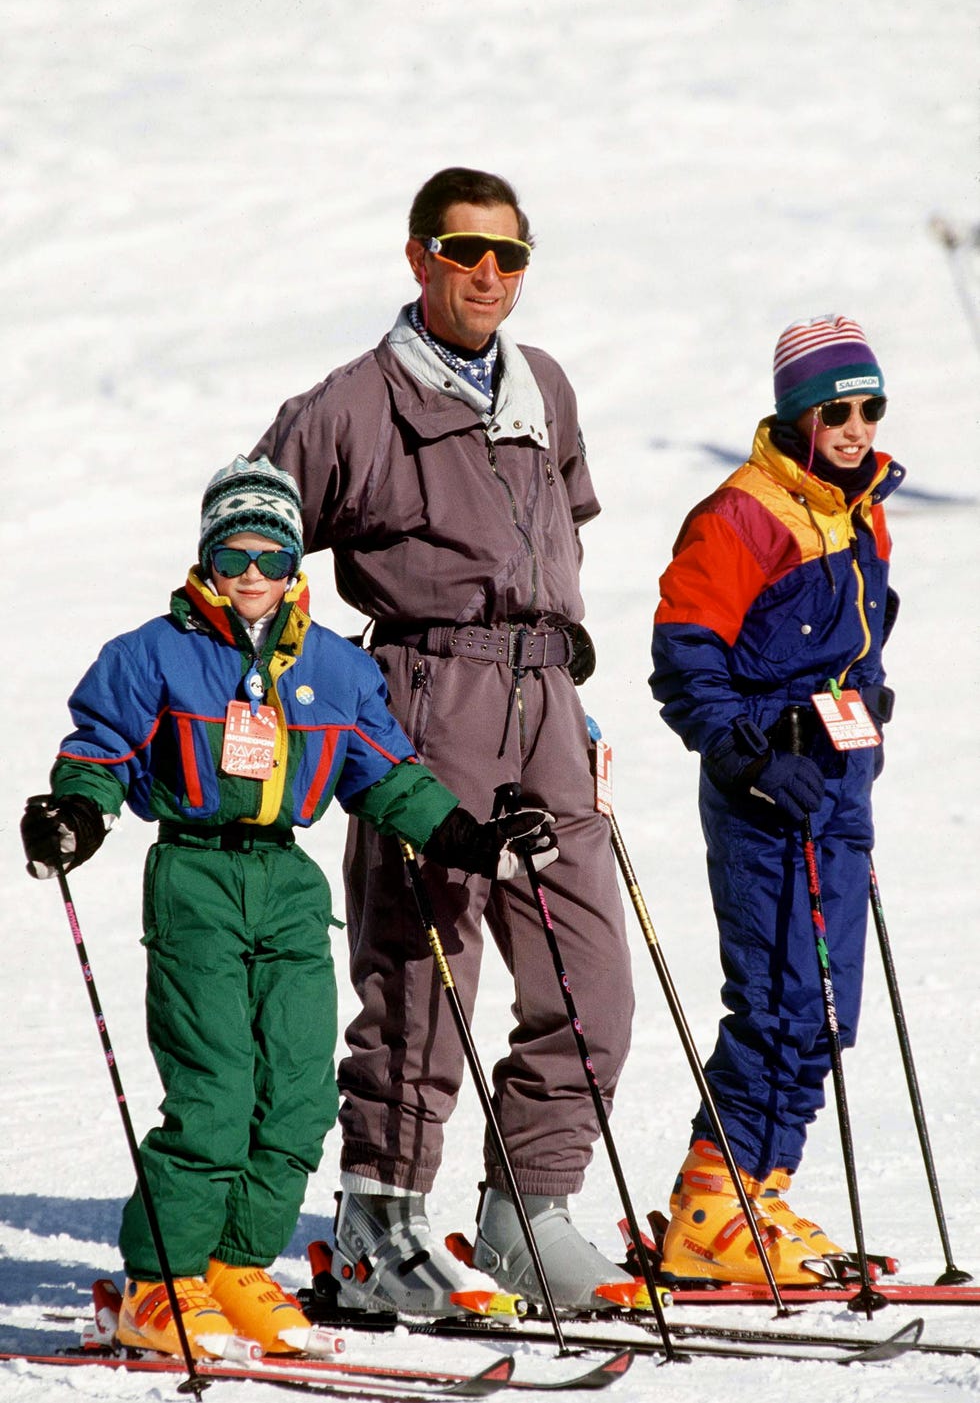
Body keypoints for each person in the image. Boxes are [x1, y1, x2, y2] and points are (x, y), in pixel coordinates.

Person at [21, 455, 558, 1358]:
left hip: (286, 881)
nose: (256, 579)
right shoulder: (154, 653)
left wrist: (468, 838)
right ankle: (159, 1280)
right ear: (206, 561)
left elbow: (386, 775)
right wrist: (74, 813)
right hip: (194, 877)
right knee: (218, 1090)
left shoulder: (334, 668)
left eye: (274, 558)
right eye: (235, 558)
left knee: (302, 1092)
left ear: (296, 564)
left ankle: (233, 1262)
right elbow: (101, 749)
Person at [250, 166, 636, 1315]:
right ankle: (382, 1226)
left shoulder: (545, 390)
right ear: (418, 256)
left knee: (588, 973)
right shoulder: (349, 406)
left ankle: (529, 1213)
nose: (487, 274)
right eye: (463, 251)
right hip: (425, 697)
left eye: (508, 256)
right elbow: (251, 539)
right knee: (424, 970)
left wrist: (564, 666)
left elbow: (556, 534)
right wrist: (311, 691)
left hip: (547, 706)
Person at [649, 314, 903, 1284]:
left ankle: (760, 1191)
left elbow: (854, 637)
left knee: (828, 1007)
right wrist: (744, 753)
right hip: (766, 786)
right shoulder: (740, 513)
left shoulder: (861, 506)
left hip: (838, 781)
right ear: (796, 413)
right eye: (834, 410)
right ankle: (712, 1202)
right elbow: (685, 660)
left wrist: (867, 693)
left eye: (867, 407)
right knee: (776, 996)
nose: (853, 426)